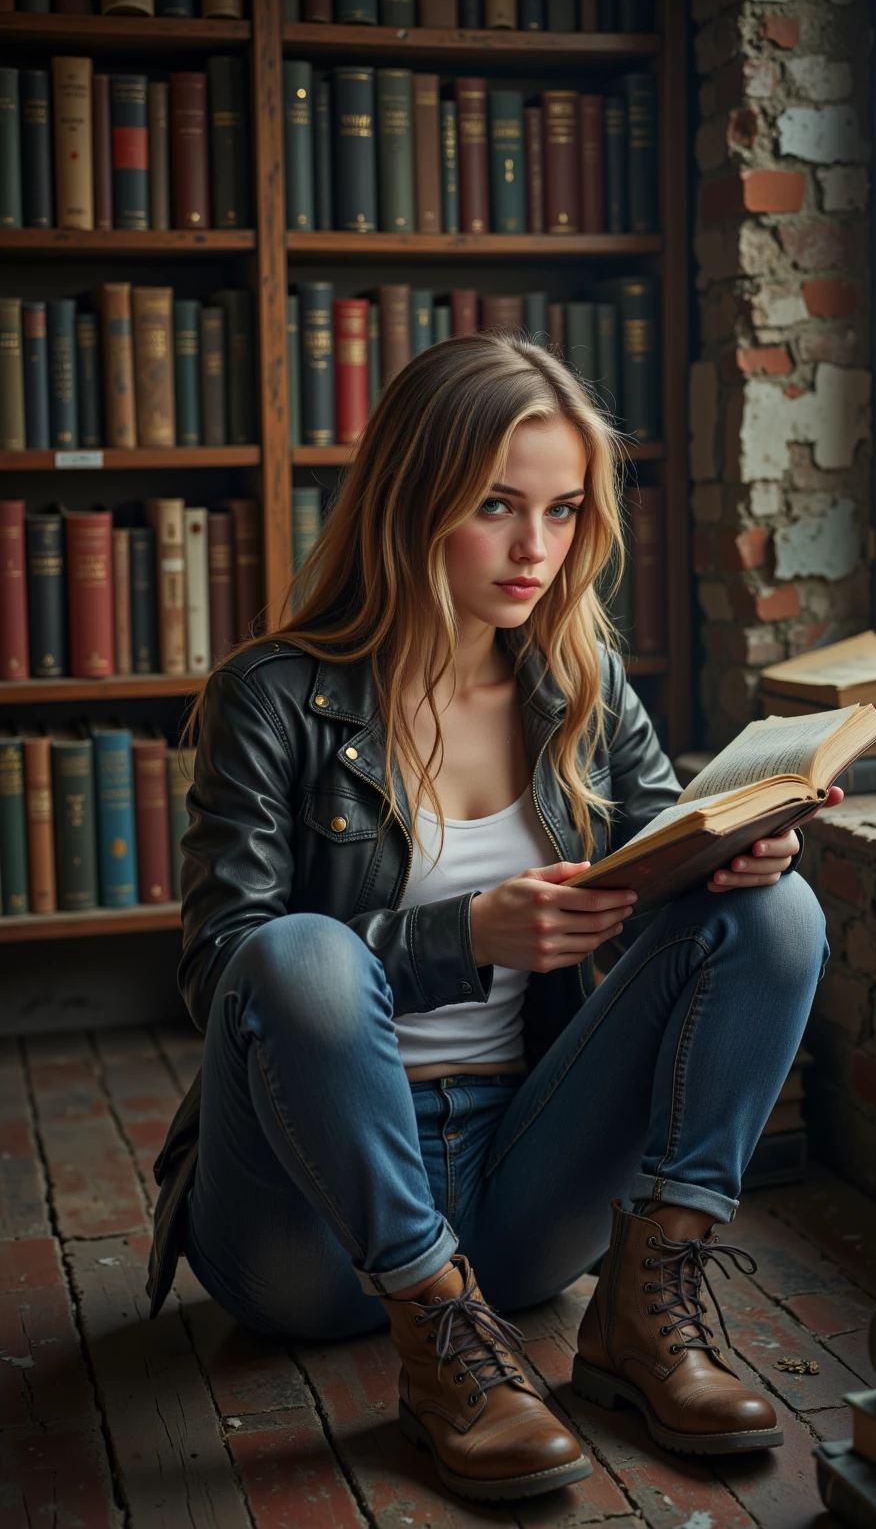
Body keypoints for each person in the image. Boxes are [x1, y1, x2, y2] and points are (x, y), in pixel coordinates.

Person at [147, 331, 834, 1505]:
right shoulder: (269, 697)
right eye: (496, 506)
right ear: (413, 500)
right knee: (299, 953)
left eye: (564, 511)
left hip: (522, 1192)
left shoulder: (579, 681)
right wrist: (461, 937)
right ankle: (436, 1335)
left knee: (778, 914)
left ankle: (645, 1310)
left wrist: (738, 850)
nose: (536, 548)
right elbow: (226, 975)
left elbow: (661, 856)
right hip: (306, 1230)